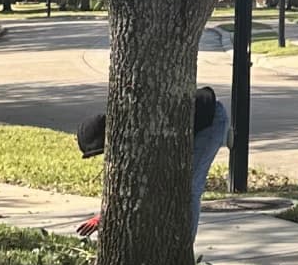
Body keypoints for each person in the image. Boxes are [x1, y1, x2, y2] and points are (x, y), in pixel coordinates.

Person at [73, 85, 230, 243]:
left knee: (189, 188)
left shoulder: (137, 132)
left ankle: (185, 248)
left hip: (210, 121)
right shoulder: (127, 132)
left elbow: (139, 184)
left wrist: (104, 216)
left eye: (101, 150)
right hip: (190, 124)